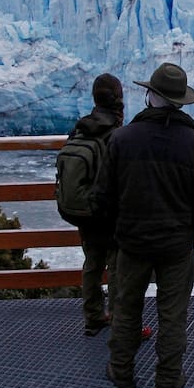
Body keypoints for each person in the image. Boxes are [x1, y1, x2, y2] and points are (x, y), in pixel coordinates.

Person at [94, 62, 194, 388]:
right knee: (173, 314)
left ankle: (121, 371)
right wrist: (189, 231)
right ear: (180, 101)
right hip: (176, 244)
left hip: (132, 242)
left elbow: (102, 196)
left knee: (126, 307)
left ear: (151, 96)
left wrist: (120, 229)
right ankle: (167, 380)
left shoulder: (122, 139)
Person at [56, 73, 156, 339]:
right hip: (109, 212)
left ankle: (93, 318)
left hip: (84, 210)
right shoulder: (116, 131)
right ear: (118, 99)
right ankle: (122, 325)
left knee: (92, 263)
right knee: (117, 268)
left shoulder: (81, 127)